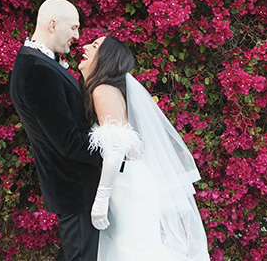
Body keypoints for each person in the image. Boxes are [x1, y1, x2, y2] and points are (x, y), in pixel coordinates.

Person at [78, 35, 209, 260]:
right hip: (127, 185)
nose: (85, 46)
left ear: (106, 58)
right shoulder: (109, 90)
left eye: (95, 45)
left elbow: (117, 148)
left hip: (129, 190)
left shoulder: (102, 91)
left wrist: (101, 199)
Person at [10, 0, 103, 260]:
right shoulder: (38, 70)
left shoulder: (38, 62)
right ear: (52, 25)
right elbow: (69, 142)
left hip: (73, 186)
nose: (77, 36)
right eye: (73, 28)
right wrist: (115, 153)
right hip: (74, 187)